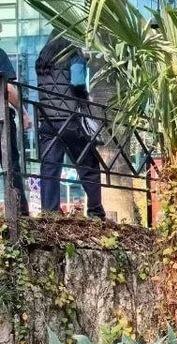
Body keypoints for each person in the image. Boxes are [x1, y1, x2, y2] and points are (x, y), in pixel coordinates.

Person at [35, 35, 104, 219]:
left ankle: (49, 213)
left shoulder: (42, 58)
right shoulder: (73, 53)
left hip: (48, 121)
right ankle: (96, 212)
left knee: (50, 167)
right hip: (70, 120)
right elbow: (77, 81)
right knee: (88, 164)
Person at [0, 47, 28, 216]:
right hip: (1, 121)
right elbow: (8, 89)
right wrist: (23, 112)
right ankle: (19, 216)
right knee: (11, 167)